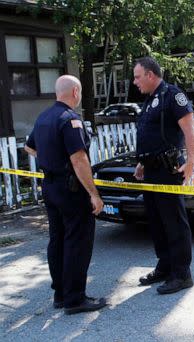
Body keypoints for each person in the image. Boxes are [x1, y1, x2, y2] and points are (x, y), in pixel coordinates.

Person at [24, 75, 107, 315]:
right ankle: (75, 299)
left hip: (50, 187)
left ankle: (60, 293)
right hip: (71, 190)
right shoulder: (70, 119)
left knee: (57, 239)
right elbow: (79, 159)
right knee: (77, 241)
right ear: (75, 92)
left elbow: (29, 147)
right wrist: (94, 194)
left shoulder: (43, 118)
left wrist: (50, 158)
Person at [132, 56, 194, 294]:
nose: (135, 82)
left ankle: (182, 274)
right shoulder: (150, 100)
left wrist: (190, 162)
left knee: (174, 222)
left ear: (150, 75)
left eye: (138, 77)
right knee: (157, 221)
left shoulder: (172, 95)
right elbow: (150, 134)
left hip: (168, 170)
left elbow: (189, 129)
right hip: (151, 170)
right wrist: (142, 163)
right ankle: (165, 266)